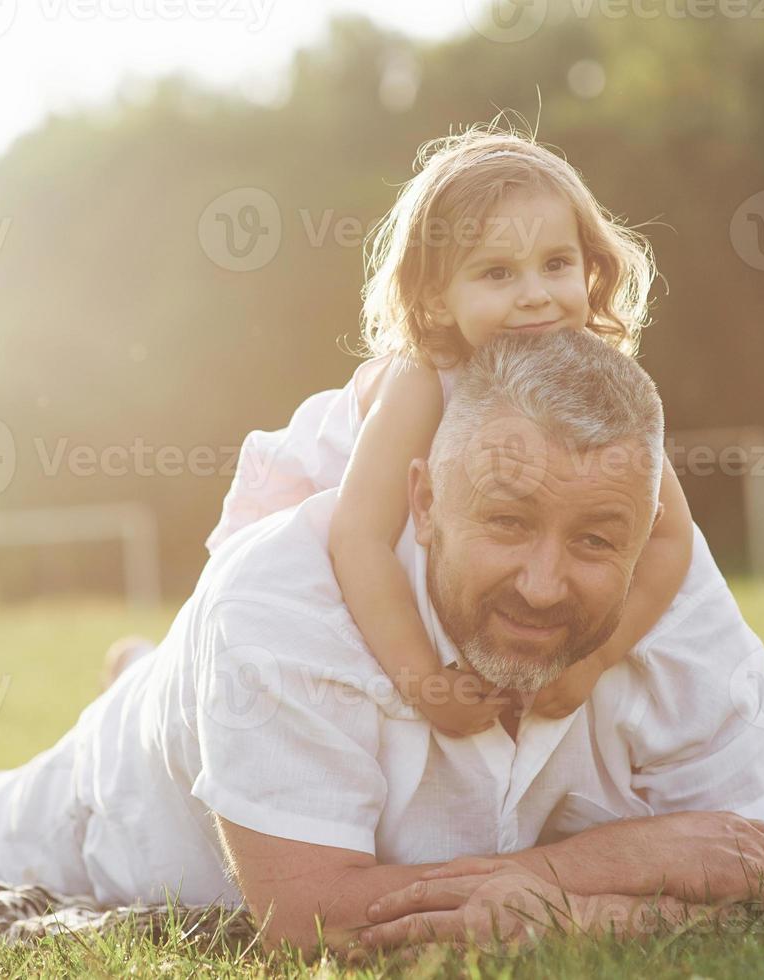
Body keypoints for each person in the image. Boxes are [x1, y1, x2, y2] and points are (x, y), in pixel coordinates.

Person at [0, 329, 764, 954]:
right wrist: (612, 867)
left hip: (241, 704)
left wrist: (537, 896)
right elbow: (314, 922)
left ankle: (156, 678)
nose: (546, 581)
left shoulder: (673, 603)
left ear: (646, 534)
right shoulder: (283, 606)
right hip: (143, 820)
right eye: (505, 521)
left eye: (594, 539)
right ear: (423, 500)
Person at [204, 124, 693, 736]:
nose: (536, 295)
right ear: (437, 299)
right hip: (316, 492)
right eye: (497, 273)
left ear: (589, 271)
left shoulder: (595, 385)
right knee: (279, 629)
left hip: (433, 511)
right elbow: (358, 538)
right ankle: (137, 666)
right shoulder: (422, 380)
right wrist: (426, 683)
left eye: (557, 264)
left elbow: (671, 536)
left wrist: (596, 659)